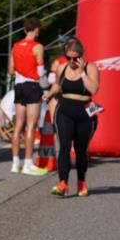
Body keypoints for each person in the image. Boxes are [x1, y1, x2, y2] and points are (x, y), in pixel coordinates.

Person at [44, 38, 100, 197]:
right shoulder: (62, 67)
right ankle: (63, 183)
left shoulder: (91, 68)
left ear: (82, 56)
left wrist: (82, 73)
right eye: (69, 58)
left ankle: (81, 182)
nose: (72, 61)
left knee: (81, 150)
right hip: (65, 110)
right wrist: (49, 94)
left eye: (76, 58)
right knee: (64, 146)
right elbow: (57, 85)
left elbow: (94, 89)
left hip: (85, 111)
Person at [8, 17, 50, 175]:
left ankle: (14, 163)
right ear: (37, 29)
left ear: (25, 30)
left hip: (18, 86)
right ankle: (27, 164)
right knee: (31, 126)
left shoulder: (15, 46)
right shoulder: (38, 47)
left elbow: (11, 71)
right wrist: (45, 89)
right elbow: (40, 71)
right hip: (33, 86)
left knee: (18, 125)